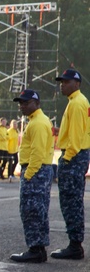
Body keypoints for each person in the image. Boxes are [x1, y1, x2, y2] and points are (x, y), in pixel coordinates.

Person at [9, 90, 54, 263]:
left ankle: (35, 249)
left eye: (26, 103)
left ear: (36, 103)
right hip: (38, 170)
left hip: (35, 170)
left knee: (31, 210)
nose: (22, 106)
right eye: (20, 103)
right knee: (38, 210)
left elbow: (37, 152)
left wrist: (28, 174)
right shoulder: (37, 121)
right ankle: (38, 249)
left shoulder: (37, 123)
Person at [50, 69, 90, 260]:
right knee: (72, 201)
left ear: (76, 83)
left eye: (66, 82)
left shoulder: (77, 103)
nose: (62, 85)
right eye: (61, 82)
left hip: (74, 156)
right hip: (77, 155)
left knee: (71, 202)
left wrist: (67, 159)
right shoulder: (77, 101)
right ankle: (75, 244)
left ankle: (75, 246)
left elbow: (75, 136)